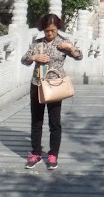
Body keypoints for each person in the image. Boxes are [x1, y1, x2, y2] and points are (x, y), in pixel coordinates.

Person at [21, 13, 82, 170]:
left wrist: (70, 47)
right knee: (37, 121)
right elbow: (24, 60)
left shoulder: (63, 43)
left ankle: (53, 154)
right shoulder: (37, 44)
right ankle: (35, 153)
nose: (50, 34)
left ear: (58, 28)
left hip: (55, 86)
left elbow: (79, 56)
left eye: (53, 30)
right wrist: (35, 57)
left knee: (54, 122)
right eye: (47, 30)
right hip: (38, 85)